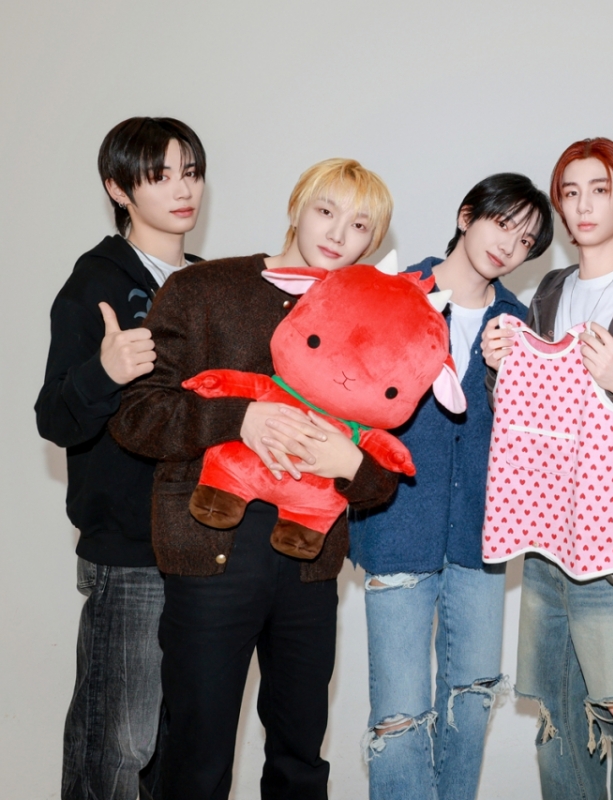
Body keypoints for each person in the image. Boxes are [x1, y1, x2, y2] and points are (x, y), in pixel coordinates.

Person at [109, 158, 397, 799]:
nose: (338, 234)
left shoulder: (370, 320)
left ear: (372, 242)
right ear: (296, 207)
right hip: (211, 551)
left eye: (359, 225)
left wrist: (351, 466)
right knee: (197, 757)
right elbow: (137, 416)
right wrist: (241, 418)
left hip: (309, 561)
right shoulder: (203, 288)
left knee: (300, 758)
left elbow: (384, 473)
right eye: (326, 211)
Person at [482, 138, 613, 799]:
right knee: (558, 713)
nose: (582, 205)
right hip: (549, 530)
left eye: (599, 190)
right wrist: (499, 370)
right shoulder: (549, 291)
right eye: (570, 192)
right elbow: (525, 421)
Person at [349, 173, 553, 800]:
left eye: (526, 241)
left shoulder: (519, 323)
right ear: (467, 216)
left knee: (472, 698)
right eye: (502, 224)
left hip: (480, 540)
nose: (509, 246)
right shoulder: (394, 292)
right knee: (400, 714)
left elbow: (531, 440)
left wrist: (504, 374)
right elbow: (353, 399)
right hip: (396, 526)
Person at [36, 116, 206, 800]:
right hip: (130, 554)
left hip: (203, 547)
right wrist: (104, 372)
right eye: (159, 176)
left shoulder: (207, 283)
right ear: (118, 188)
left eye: (190, 172)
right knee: (117, 745)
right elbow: (54, 418)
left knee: (177, 747)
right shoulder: (94, 283)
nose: (182, 190)